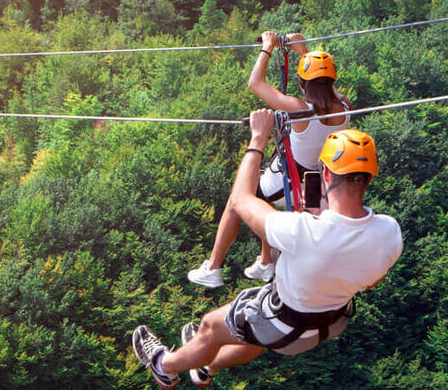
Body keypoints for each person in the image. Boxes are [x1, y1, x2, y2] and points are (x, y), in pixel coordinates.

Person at [134, 110, 402, 388]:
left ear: (325, 172)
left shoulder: (302, 230)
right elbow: (371, 280)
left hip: (283, 323)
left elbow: (240, 199)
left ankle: (163, 366)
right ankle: (207, 366)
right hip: (327, 325)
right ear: (369, 178)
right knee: (253, 333)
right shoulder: (389, 232)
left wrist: (258, 137)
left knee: (211, 327)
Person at [188, 31, 352, 288]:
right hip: (316, 181)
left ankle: (213, 267)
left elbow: (255, 83)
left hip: (292, 177)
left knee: (237, 199)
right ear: (332, 80)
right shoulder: (345, 108)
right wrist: (303, 51)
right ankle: (266, 262)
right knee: (266, 200)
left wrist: (267, 47)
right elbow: (326, 85)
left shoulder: (299, 110)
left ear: (302, 83)